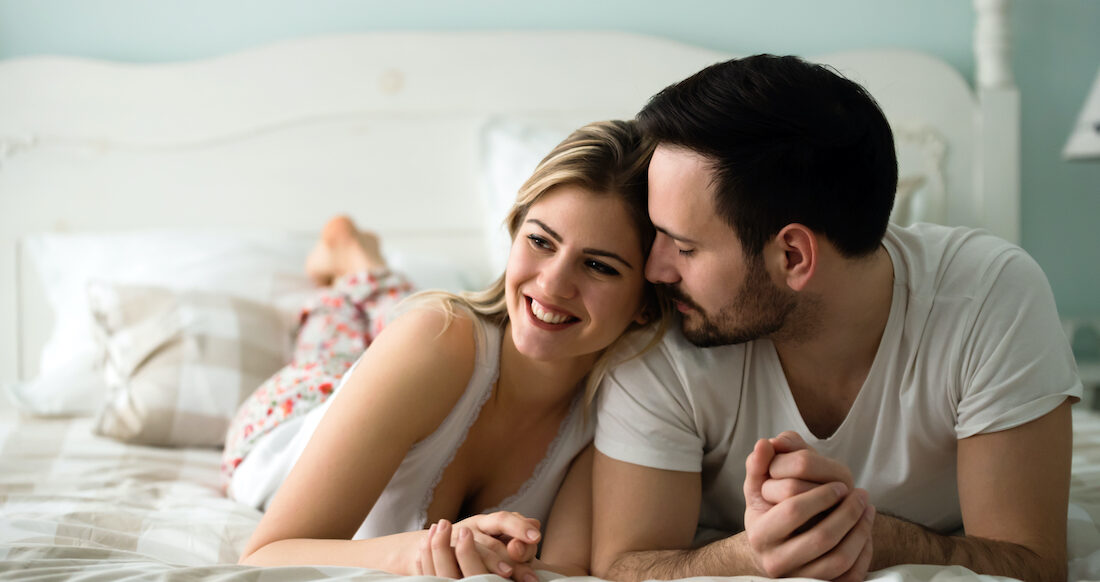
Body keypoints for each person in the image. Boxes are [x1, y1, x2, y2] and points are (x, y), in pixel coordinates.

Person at [591, 55, 1082, 582]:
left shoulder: (988, 299)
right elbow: (622, 565)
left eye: (684, 247)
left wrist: (870, 534)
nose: (654, 267)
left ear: (794, 257)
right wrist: (746, 556)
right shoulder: (661, 326)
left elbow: (1033, 562)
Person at [221, 120, 664, 578]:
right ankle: (352, 257)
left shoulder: (621, 408)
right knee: (342, 344)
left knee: (405, 328)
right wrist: (420, 553)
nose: (552, 283)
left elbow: (562, 573)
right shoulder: (432, 340)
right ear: (514, 235)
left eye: (597, 265)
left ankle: (366, 267)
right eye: (539, 241)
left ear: (646, 304)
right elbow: (263, 556)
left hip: (421, 368)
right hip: (290, 415)